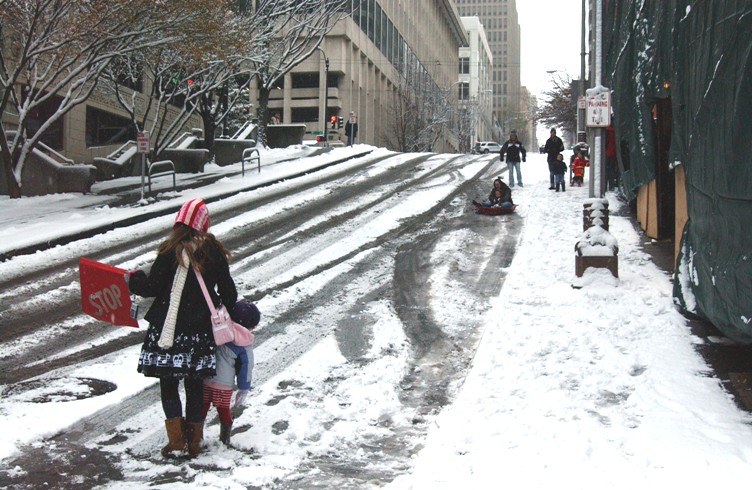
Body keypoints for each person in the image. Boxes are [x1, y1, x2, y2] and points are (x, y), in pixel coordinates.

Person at [126, 198, 237, 459]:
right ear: (204, 224)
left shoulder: (169, 251)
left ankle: (175, 442)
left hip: (168, 329)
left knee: (168, 384)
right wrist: (219, 308)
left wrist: (134, 279)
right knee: (195, 385)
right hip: (199, 331)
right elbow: (229, 293)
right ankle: (195, 441)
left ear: (179, 222)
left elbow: (151, 288)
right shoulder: (213, 253)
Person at [201, 299, 260, 447]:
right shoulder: (244, 344)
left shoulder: (218, 328)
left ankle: (197, 435)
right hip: (224, 385)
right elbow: (245, 369)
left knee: (202, 406)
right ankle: (224, 438)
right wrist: (243, 388)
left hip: (206, 377)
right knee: (223, 410)